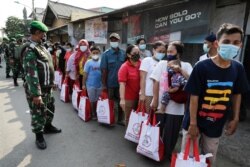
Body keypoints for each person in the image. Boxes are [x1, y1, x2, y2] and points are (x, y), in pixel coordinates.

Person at [181, 23, 249, 165]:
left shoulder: (238, 68)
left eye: (236, 42)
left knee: (209, 160)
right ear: (217, 43)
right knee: (189, 160)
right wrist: (193, 123)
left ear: (241, 45)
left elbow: (237, 94)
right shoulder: (202, 66)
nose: (231, 45)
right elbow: (194, 95)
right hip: (195, 121)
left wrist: (235, 118)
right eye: (226, 42)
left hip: (216, 123)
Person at [22, 21, 61, 150]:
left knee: (50, 107)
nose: (45, 36)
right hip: (37, 90)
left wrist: (52, 83)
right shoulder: (30, 50)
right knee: (38, 113)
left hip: (47, 87)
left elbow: (47, 67)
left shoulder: (41, 47)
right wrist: (36, 94)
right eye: (43, 33)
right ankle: (39, 136)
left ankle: (48, 127)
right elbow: (31, 74)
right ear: (37, 33)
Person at [150, 41, 193, 161]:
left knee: (171, 134)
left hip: (177, 108)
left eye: (171, 51)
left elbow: (191, 81)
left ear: (178, 53)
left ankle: (166, 154)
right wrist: (155, 100)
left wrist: (180, 70)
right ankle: (154, 151)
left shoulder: (186, 65)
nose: (168, 54)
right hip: (160, 105)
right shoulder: (162, 64)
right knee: (157, 130)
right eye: (167, 51)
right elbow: (156, 82)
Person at [100, 33, 126, 125]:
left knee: (121, 102)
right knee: (109, 101)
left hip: (121, 84)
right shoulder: (105, 54)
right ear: (110, 41)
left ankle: (120, 119)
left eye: (115, 40)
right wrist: (103, 85)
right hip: (110, 83)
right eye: (112, 40)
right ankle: (108, 118)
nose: (114, 42)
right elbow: (103, 71)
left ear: (119, 41)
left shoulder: (123, 53)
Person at [139, 41, 166, 113]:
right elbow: (143, 78)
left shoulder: (163, 63)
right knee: (145, 117)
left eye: (163, 52)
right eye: (159, 51)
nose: (162, 53)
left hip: (158, 95)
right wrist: (142, 94)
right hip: (148, 93)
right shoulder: (147, 60)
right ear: (153, 50)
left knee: (154, 119)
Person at [118, 45, 141, 126]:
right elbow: (122, 84)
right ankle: (129, 135)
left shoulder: (142, 64)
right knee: (129, 118)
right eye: (134, 53)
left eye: (138, 52)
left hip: (141, 97)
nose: (137, 54)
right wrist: (122, 99)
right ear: (128, 55)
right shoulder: (124, 67)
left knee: (140, 117)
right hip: (129, 98)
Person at [82, 46, 102, 120]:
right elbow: (85, 74)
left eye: (97, 53)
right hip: (90, 85)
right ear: (91, 54)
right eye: (94, 53)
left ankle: (98, 112)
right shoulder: (88, 62)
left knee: (97, 100)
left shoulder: (101, 61)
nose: (95, 54)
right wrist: (83, 84)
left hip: (100, 85)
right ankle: (93, 113)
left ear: (99, 53)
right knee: (92, 100)